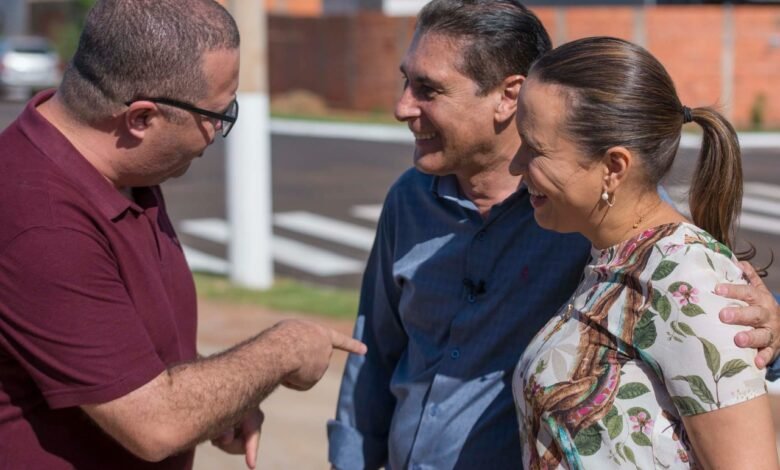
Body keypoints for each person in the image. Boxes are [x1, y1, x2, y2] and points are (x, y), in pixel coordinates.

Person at [328, 1, 780, 469]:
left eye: (429, 89)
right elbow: (374, 355)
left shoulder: (597, 219)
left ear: (508, 95)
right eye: (407, 81)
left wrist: (772, 331)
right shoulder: (411, 201)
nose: (402, 106)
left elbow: (692, 292)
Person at [0, 1, 365, 469]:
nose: (215, 132)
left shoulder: (124, 171)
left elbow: (121, 340)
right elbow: (156, 424)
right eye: (215, 114)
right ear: (141, 119)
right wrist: (284, 349)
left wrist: (221, 397)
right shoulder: (42, 220)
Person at [510, 36, 778, 469]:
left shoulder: (687, 274)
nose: (516, 165)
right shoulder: (613, 256)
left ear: (613, 167)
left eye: (535, 149)